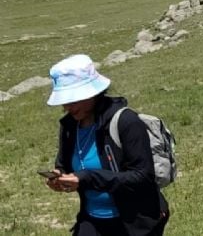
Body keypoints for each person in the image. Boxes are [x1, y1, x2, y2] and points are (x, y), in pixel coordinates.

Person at [42, 54, 169, 235]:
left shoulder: (126, 121)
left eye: (74, 99)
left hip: (134, 221)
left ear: (93, 93)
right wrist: (59, 177)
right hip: (92, 218)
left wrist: (86, 177)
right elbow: (63, 164)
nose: (68, 106)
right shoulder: (69, 126)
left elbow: (142, 177)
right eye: (65, 101)